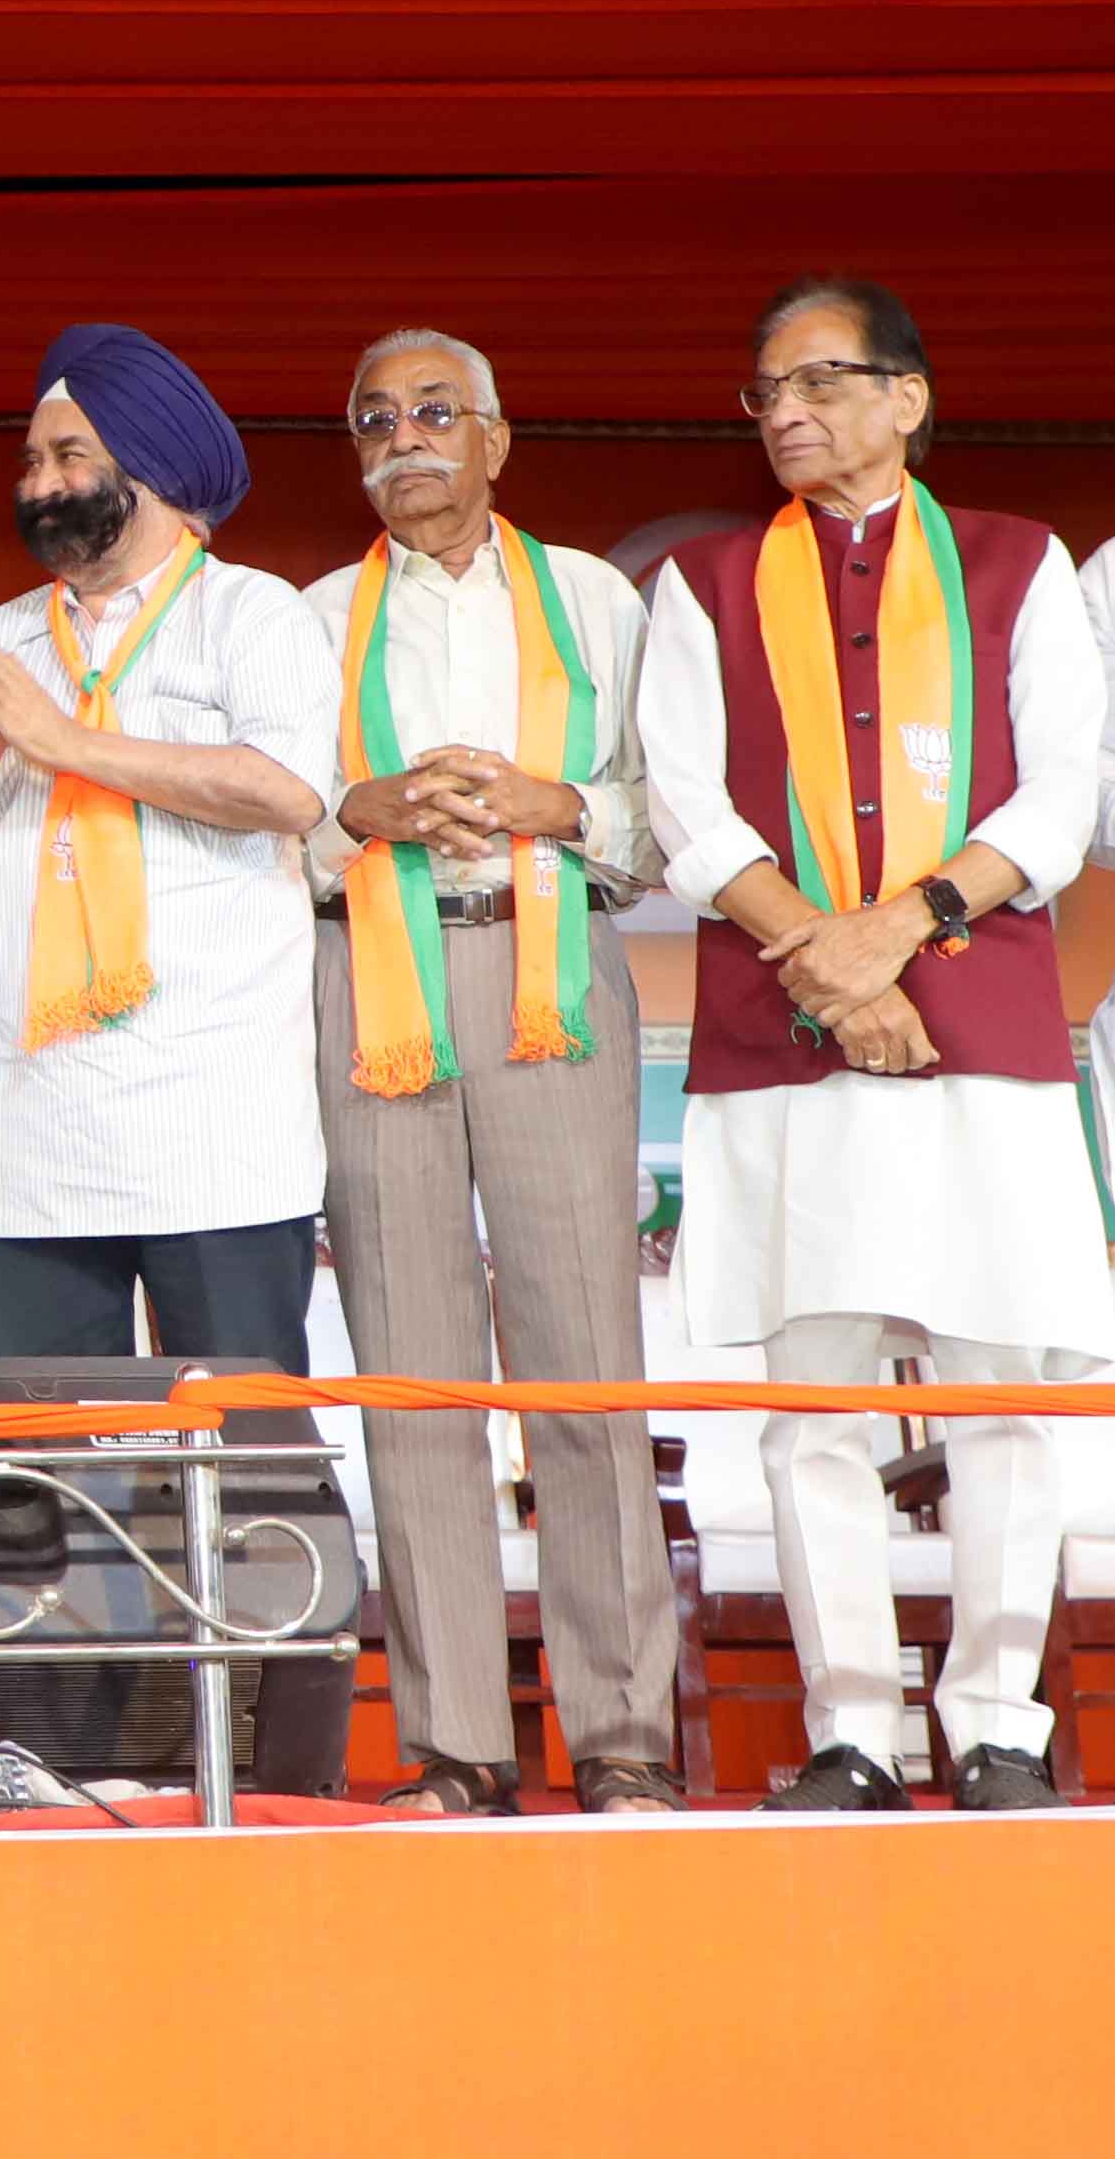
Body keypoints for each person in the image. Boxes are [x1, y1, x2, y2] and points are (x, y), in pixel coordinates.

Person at [640, 276, 1108, 1812]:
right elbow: (686, 812)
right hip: (786, 1042)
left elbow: (1055, 801)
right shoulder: (702, 583)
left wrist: (896, 924)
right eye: (762, 390)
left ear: (907, 396)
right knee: (815, 1402)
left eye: (819, 381)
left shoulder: (1016, 565)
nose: (784, 411)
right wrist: (833, 969)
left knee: (998, 1393)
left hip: (980, 1031)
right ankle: (847, 1728)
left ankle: (993, 1724)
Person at [297, 334, 686, 1817]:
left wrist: (555, 799)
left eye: (433, 412)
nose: (405, 438)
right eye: (375, 420)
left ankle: (621, 1737)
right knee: (410, 1365)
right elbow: (268, 828)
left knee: (581, 1356)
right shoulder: (312, 618)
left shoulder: (593, 597)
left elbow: (671, 815)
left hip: (553, 980)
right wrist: (359, 808)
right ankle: (456, 1743)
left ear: (496, 439)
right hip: (374, 975)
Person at [0, 326, 337, 1371]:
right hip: (39, 1139)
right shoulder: (4, 638)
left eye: (70, 456)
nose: (42, 483)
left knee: (239, 1459)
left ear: (154, 467)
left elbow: (288, 790)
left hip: (218, 1134)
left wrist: (67, 743)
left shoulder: (252, 613)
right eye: (32, 461)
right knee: (38, 1476)